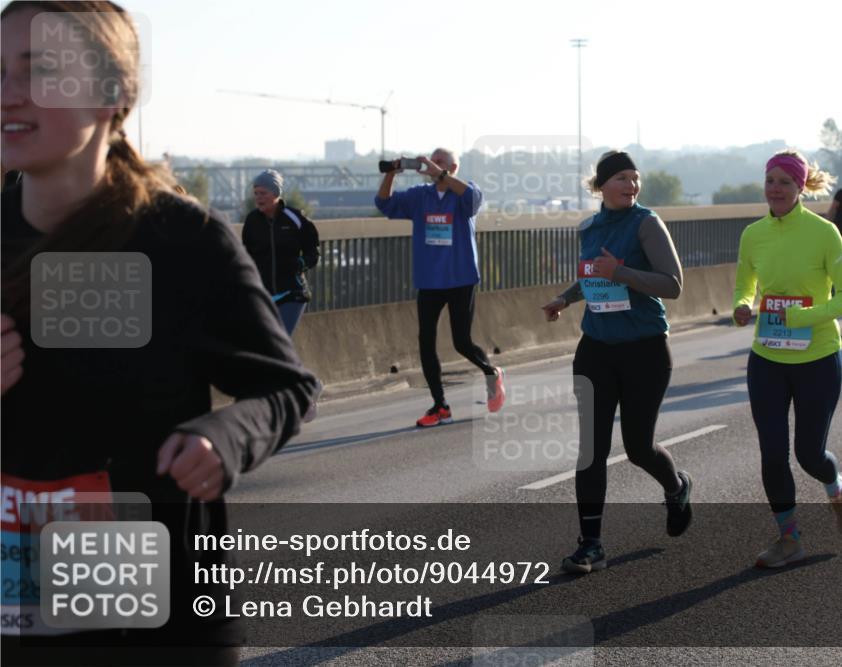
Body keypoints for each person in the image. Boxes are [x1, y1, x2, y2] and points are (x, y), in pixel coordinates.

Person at [0, 3, 319, 664]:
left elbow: (284, 387)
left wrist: (224, 438)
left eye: (40, 71)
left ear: (113, 95)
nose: (9, 92)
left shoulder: (181, 239)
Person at [541, 151, 691, 574]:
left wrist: (621, 271)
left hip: (644, 348)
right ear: (601, 185)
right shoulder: (589, 226)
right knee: (591, 448)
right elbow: (593, 274)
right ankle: (591, 545)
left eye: (635, 178)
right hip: (596, 349)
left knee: (639, 447)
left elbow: (673, 285)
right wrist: (566, 298)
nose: (631, 185)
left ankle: (676, 486)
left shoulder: (647, 222)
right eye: (622, 178)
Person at [733, 150, 842, 569]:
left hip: (818, 358)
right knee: (772, 454)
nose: (775, 188)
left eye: (784, 182)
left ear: (800, 187)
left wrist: (802, 317)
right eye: (769, 180)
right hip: (767, 357)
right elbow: (745, 285)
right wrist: (741, 304)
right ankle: (789, 539)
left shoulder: (824, 233)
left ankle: (836, 487)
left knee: (809, 454)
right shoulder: (753, 234)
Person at [374, 149, 505, 427]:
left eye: (440, 161)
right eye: (431, 160)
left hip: (460, 277)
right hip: (430, 279)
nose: (432, 165)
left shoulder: (465, 192)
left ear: (453, 167)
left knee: (461, 342)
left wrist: (440, 174)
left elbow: (473, 201)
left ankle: (490, 371)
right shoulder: (421, 196)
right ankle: (439, 405)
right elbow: (384, 204)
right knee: (426, 340)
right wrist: (390, 175)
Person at [241, 169, 319, 335]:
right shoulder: (252, 221)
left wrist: (299, 264)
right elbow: (245, 256)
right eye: (256, 193)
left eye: (263, 193)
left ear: (276, 193)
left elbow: (313, 252)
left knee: (281, 339)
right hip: (263, 295)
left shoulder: (295, 218)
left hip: (292, 293)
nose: (258, 198)